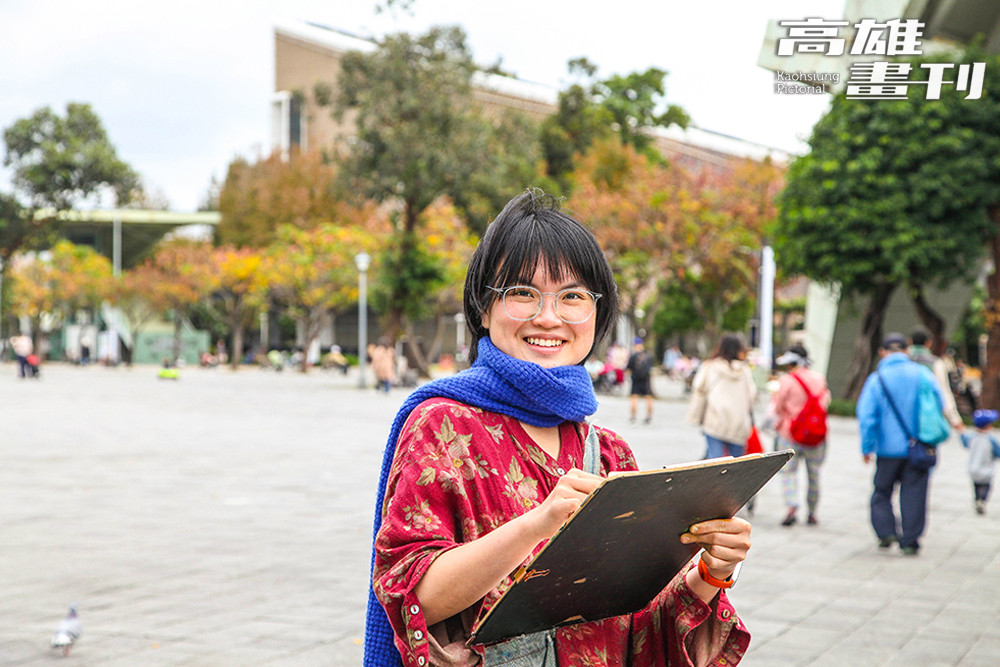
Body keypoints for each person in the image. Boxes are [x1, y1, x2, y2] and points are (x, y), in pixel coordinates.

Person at [365, 190, 752, 667]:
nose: (548, 317)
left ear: (596, 312)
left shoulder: (609, 453)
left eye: (572, 297)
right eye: (522, 293)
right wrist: (539, 523)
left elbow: (633, 627)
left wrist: (712, 571)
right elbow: (415, 600)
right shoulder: (444, 426)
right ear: (483, 308)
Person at [856, 332, 947, 556]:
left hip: (887, 450)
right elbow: (939, 402)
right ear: (907, 350)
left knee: (882, 491)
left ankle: (886, 532)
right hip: (919, 447)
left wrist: (867, 447)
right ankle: (910, 540)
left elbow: (867, 417)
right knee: (915, 494)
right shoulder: (922, 374)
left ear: (883, 352)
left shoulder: (877, 379)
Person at [771, 344, 831, 527]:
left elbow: (777, 406)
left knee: (788, 472)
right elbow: (825, 402)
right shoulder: (819, 379)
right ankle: (812, 512)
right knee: (814, 474)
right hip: (816, 435)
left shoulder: (787, 380)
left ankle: (792, 506)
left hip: (790, 434)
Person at [686, 334, 756, 459]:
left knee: (715, 459)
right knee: (737, 462)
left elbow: (699, 389)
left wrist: (696, 416)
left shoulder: (710, 367)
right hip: (738, 423)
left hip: (714, 420)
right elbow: (752, 395)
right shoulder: (744, 370)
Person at [908, 329, 964, 433]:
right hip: (927, 416)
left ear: (910, 342)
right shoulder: (935, 363)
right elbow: (944, 391)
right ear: (928, 343)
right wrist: (955, 419)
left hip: (905, 415)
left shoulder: (902, 361)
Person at [961, 409, 1000, 515]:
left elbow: (964, 442)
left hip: (973, 468)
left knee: (976, 486)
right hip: (986, 469)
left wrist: (961, 430)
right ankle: (982, 500)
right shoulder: (990, 440)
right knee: (985, 486)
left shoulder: (972, 437)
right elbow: (998, 452)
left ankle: (977, 498)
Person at [626, 336, 654, 424]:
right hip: (646, 380)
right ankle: (648, 417)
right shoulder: (648, 356)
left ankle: (633, 417)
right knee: (648, 398)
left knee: (634, 398)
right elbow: (651, 368)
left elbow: (628, 368)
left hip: (635, 379)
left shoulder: (633, 356)